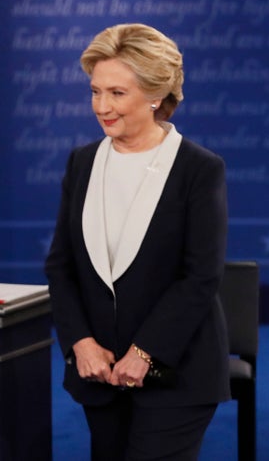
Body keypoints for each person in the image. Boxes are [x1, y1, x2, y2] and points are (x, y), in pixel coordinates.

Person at [44, 24, 230, 460]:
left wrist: (145, 354)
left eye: (116, 93)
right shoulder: (82, 162)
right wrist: (80, 342)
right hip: (100, 373)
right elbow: (61, 265)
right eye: (95, 92)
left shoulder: (199, 169)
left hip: (176, 371)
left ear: (155, 94)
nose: (101, 107)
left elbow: (200, 275)